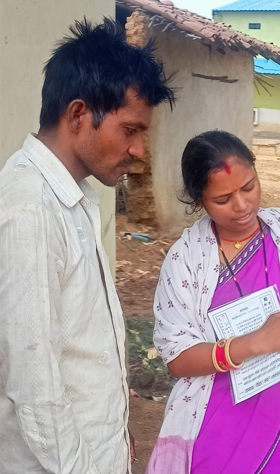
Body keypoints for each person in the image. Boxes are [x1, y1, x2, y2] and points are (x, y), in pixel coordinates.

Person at [0, 18, 174, 474]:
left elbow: (81, 347)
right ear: (78, 115)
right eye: (130, 130)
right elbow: (36, 388)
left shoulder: (75, 199)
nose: (139, 150)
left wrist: (114, 434)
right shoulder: (31, 211)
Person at [146, 131, 280, 474]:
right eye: (223, 199)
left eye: (249, 187)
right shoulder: (185, 261)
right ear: (199, 200)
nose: (242, 206)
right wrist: (255, 342)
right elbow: (177, 359)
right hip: (217, 414)